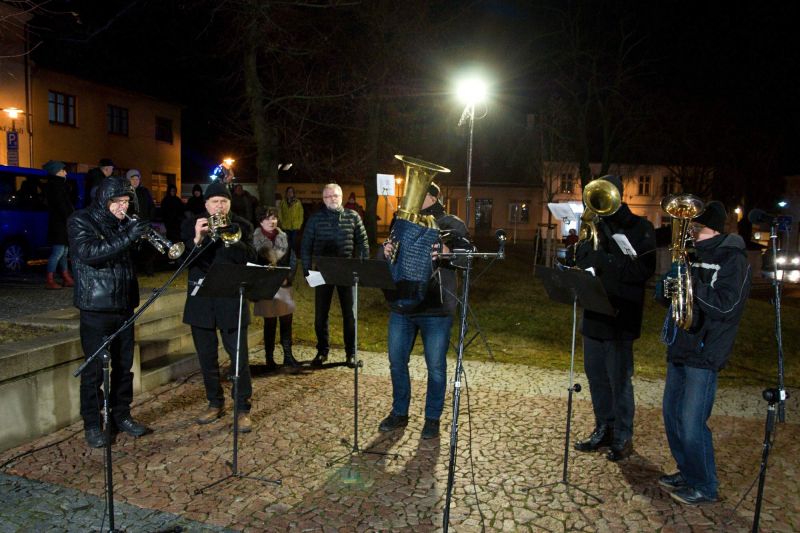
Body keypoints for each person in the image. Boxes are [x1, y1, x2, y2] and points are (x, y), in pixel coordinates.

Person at [656, 201, 751, 505]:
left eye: (697, 227)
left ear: (714, 229)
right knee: (672, 416)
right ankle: (687, 471)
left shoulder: (733, 260)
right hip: (681, 345)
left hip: (705, 350)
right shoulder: (691, 256)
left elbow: (727, 307)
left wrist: (691, 283)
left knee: (692, 422)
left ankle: (705, 485)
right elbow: (673, 301)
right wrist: (667, 287)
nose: (691, 232)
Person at [570, 175, 656, 462]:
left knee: (619, 381)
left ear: (617, 196)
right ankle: (603, 428)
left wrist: (604, 259)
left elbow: (642, 270)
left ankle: (622, 435)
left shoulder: (640, 227)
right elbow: (582, 260)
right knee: (596, 378)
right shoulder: (594, 226)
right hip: (595, 314)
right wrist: (584, 251)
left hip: (621, 316)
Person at [378, 182, 469, 440]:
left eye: (415, 192)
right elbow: (387, 255)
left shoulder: (451, 223)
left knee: (436, 367)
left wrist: (449, 252)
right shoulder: (402, 221)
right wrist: (384, 252)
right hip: (402, 305)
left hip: (435, 308)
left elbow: (466, 257)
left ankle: (432, 418)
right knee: (397, 362)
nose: (410, 196)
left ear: (431, 197)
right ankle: (400, 412)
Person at [67, 175, 152, 448]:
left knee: (124, 367)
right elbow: (89, 253)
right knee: (94, 369)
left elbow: (135, 259)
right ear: (104, 200)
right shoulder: (81, 220)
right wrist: (128, 236)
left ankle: (121, 414)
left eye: (126, 202)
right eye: (116, 202)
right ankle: (93, 423)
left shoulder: (123, 223)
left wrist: (142, 241)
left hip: (124, 304)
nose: (122, 207)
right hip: (96, 307)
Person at [181, 181, 257, 432]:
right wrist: (197, 238)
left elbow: (251, 258)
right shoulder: (192, 223)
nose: (219, 206)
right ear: (206, 204)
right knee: (207, 357)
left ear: (229, 204)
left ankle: (242, 407)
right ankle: (215, 402)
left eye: (224, 201)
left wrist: (231, 239)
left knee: (239, 357)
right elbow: (182, 262)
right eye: (215, 201)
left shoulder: (242, 225)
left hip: (231, 298)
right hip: (201, 300)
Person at [300, 183, 369, 367]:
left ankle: (351, 353)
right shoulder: (315, 219)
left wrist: (361, 266)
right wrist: (307, 271)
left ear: (341, 197)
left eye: (335, 195)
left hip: (346, 270)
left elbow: (363, 242)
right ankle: (322, 351)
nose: (332, 199)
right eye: (328, 196)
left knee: (350, 315)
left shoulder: (353, 216)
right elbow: (306, 246)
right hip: (321, 271)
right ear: (323, 199)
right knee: (320, 315)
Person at [252, 206, 299, 371]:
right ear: (260, 221)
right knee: (270, 322)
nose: (271, 221)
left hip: (283, 284)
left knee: (286, 320)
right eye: (267, 218)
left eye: (274, 218)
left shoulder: (284, 237)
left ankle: (288, 355)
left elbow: (293, 259)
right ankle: (269, 358)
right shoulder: (255, 240)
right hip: (266, 287)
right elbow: (252, 263)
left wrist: (289, 277)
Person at [43, 160, 75, 290]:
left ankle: (66, 277)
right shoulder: (56, 186)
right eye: (63, 170)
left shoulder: (59, 185)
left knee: (64, 252)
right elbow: (62, 206)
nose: (65, 173)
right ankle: (50, 279)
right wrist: (70, 217)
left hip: (61, 223)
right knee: (58, 252)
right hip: (59, 224)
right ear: (56, 172)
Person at [126, 169, 156, 276]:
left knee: (149, 247)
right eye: (133, 179)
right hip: (132, 225)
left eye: (137, 179)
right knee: (133, 249)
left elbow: (151, 206)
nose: (135, 181)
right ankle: (134, 271)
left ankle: (149, 270)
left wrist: (149, 218)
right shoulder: (126, 192)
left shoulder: (144, 191)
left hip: (145, 224)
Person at [278, 186, 304, 252]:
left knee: (293, 241)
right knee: (286, 241)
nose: (290, 193)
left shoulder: (297, 202)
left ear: (293, 193)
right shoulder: (283, 202)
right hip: (286, 225)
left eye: (291, 192)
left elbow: (301, 213)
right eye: (288, 192)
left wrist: (299, 223)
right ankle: (287, 254)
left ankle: (292, 254)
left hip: (295, 226)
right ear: (286, 193)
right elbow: (280, 213)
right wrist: (282, 222)